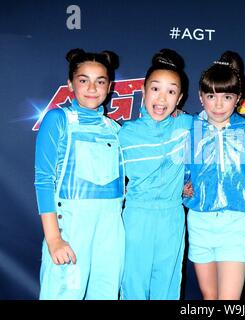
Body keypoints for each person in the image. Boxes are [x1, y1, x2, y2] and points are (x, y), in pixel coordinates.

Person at [34, 48, 125, 299]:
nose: (92, 88)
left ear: (110, 86)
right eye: (84, 80)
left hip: (110, 232)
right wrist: (54, 239)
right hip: (71, 231)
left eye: (100, 81)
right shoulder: (58, 119)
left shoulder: (115, 129)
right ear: (70, 84)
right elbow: (43, 180)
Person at [183, 51, 245, 300]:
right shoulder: (188, 128)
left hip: (235, 222)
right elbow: (181, 171)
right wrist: (184, 186)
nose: (218, 104)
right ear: (200, 97)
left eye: (226, 96)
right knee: (209, 297)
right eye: (211, 96)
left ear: (238, 99)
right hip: (199, 221)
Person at [118, 49, 192, 300]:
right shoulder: (124, 133)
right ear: (143, 90)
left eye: (171, 91)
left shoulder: (188, 125)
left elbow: (224, 126)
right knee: (133, 285)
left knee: (167, 287)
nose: (162, 98)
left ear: (180, 98)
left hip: (172, 216)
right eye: (155, 89)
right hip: (136, 217)